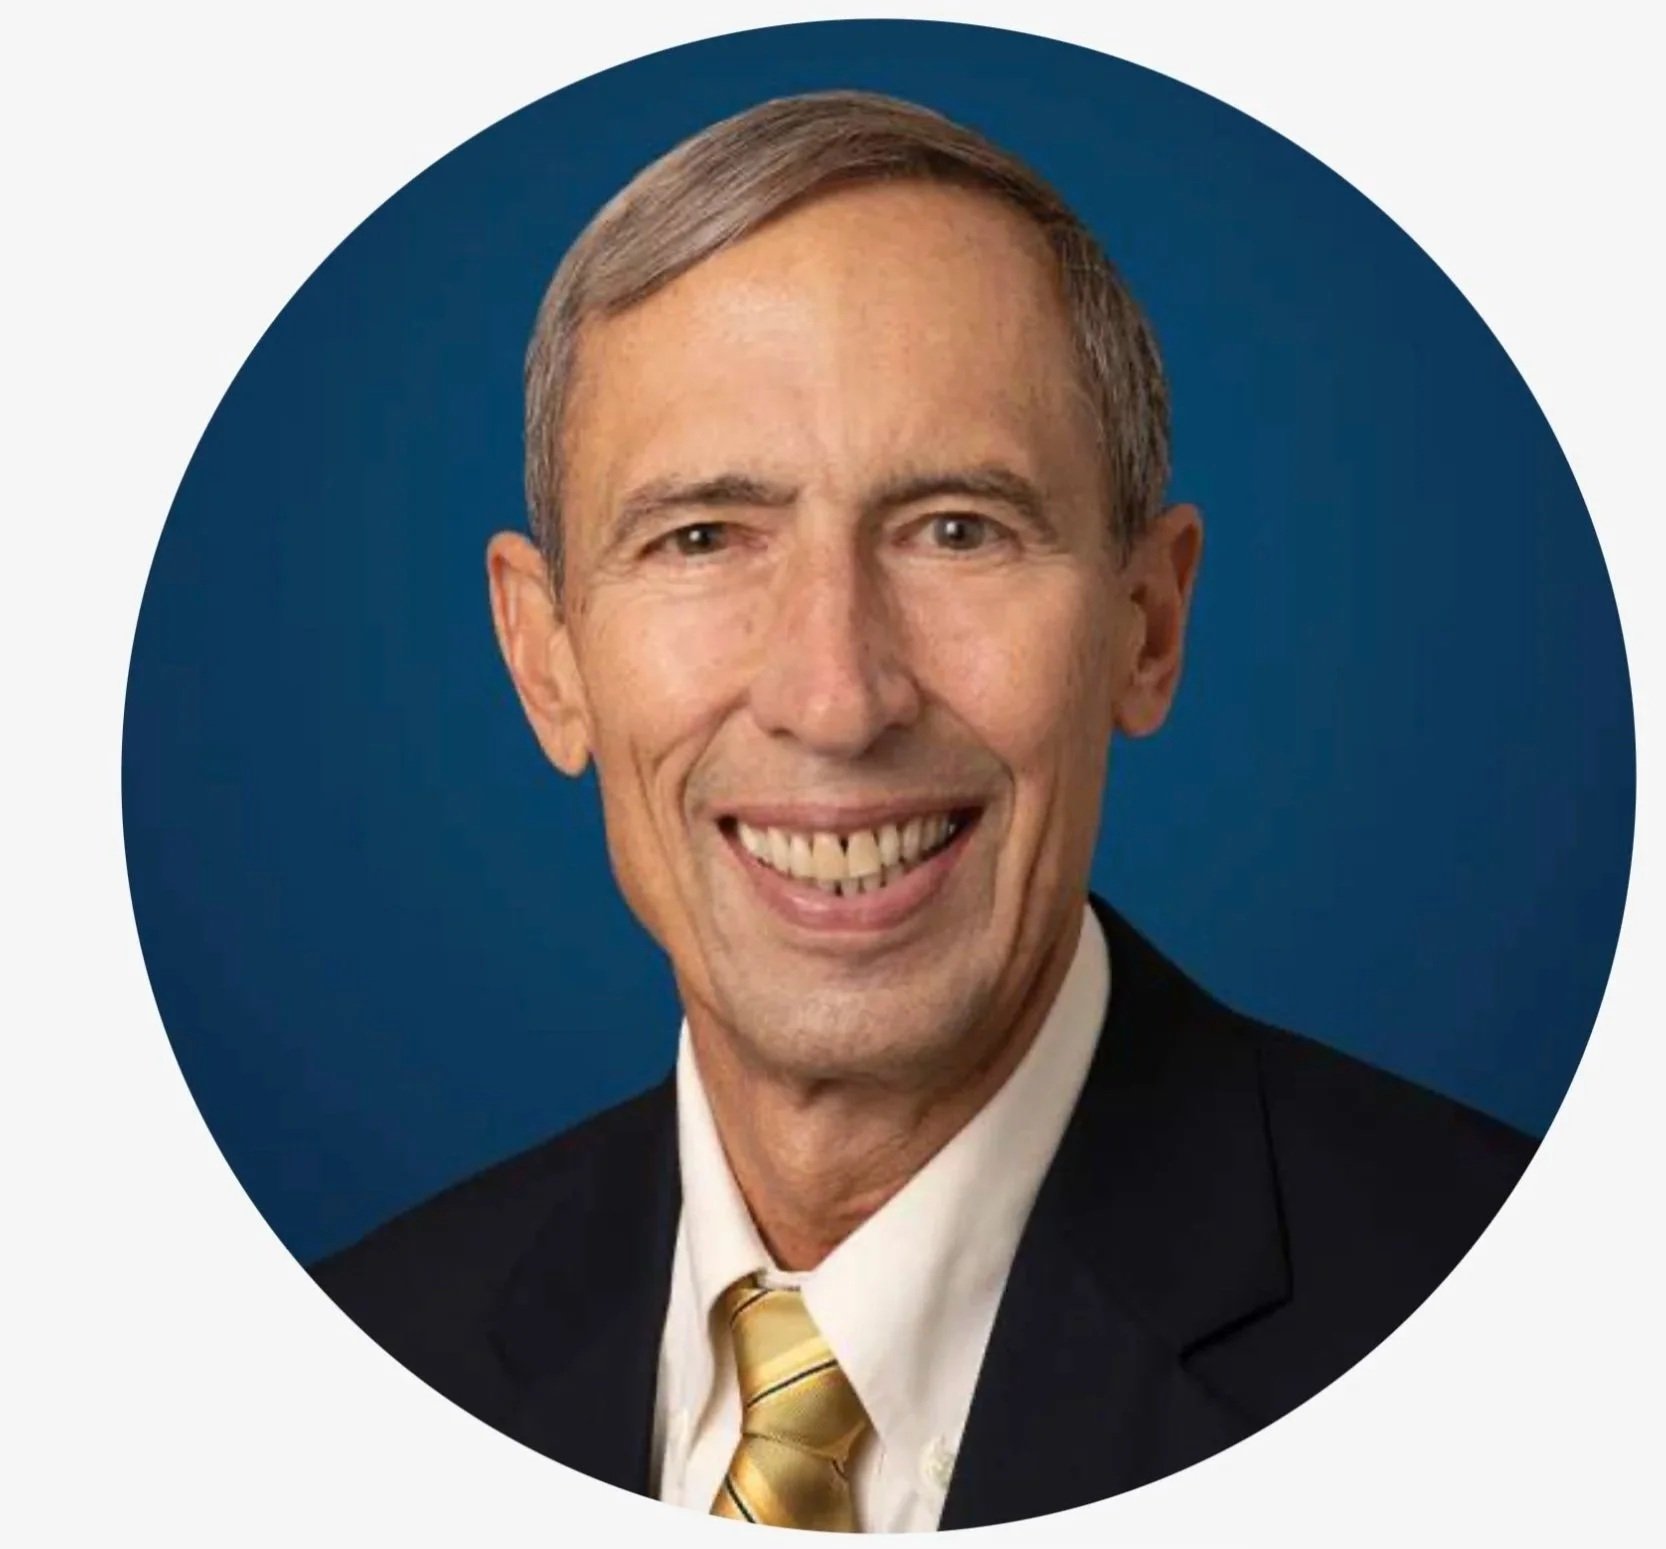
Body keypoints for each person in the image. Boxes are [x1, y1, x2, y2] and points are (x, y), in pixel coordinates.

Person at [313, 91, 1534, 1532]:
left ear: (1146, 627)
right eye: (702, 537)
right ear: (546, 658)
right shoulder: (352, 1365)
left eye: (957, 529)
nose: (836, 696)